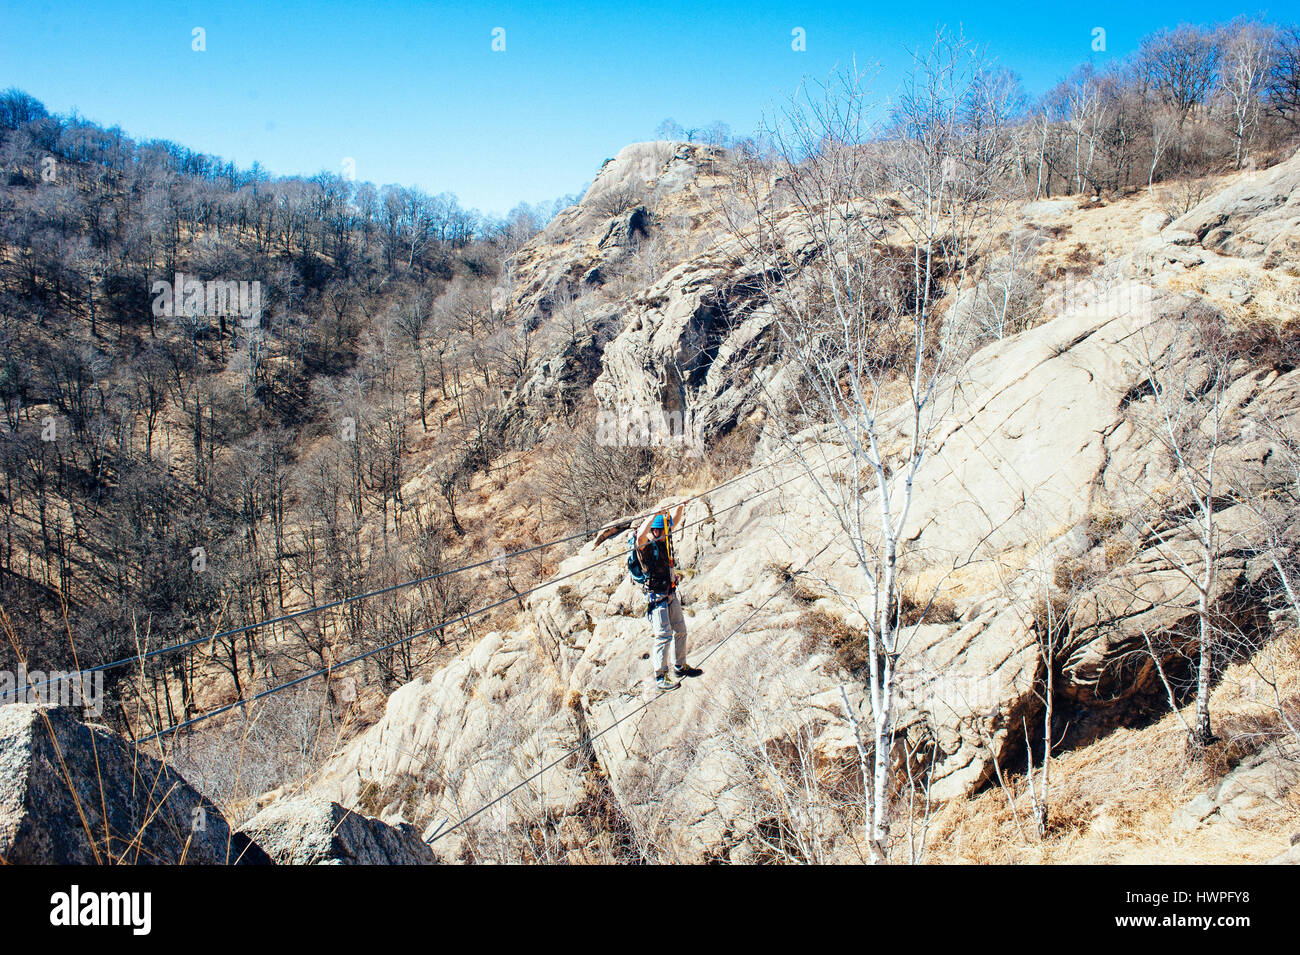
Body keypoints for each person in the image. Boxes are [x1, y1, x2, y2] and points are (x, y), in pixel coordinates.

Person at [633, 502, 703, 691]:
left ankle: (679, 666)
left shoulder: (664, 539)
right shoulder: (647, 547)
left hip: (670, 592)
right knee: (663, 635)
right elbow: (640, 536)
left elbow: (675, 522)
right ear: (654, 531)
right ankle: (660, 675)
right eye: (662, 531)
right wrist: (653, 514)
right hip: (657, 598)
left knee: (680, 629)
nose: (666, 533)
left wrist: (681, 507)